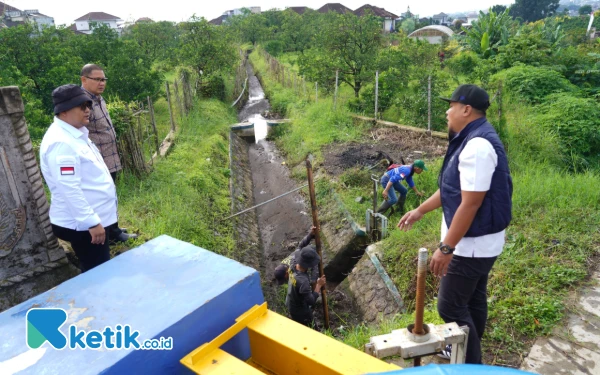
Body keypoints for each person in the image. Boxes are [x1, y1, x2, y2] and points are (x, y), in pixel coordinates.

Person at [397, 84, 512, 364]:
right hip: (478, 242)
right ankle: (468, 351)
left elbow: (471, 203)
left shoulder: (477, 146)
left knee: (449, 306)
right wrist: (420, 210)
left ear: (466, 109)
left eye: (451, 105)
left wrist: (446, 248)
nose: (447, 112)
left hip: (470, 246)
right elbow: (454, 189)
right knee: (472, 301)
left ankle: (470, 365)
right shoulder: (471, 138)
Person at [40, 84, 119, 272]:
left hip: (92, 220)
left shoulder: (75, 133)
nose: (88, 110)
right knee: (97, 273)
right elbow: (69, 189)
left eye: (88, 105)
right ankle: (97, 300)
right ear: (64, 111)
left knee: (99, 268)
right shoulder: (62, 143)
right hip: (83, 225)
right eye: (82, 106)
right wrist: (91, 222)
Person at [80, 64, 136, 243]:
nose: (101, 83)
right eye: (97, 79)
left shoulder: (98, 98)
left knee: (110, 192)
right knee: (102, 195)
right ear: (84, 79)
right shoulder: (82, 102)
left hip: (110, 155)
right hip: (98, 158)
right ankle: (111, 234)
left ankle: (113, 228)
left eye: (103, 79)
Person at [286, 246, 326, 327]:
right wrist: (319, 285)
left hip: (290, 302)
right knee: (311, 328)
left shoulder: (292, 265)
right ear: (308, 265)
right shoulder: (303, 282)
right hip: (300, 311)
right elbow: (311, 301)